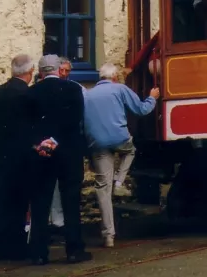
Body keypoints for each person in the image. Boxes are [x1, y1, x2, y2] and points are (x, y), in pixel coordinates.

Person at [0, 54, 46, 261]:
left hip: (0, 159)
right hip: (23, 159)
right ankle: (16, 247)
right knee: (20, 203)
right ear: (31, 71)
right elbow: (34, 130)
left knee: (3, 203)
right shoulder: (28, 96)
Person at [84, 63, 159, 248]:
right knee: (130, 150)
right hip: (119, 139)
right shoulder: (120, 89)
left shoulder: (87, 94)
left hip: (97, 143)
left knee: (103, 188)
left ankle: (108, 236)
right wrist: (152, 97)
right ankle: (119, 181)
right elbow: (141, 110)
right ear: (115, 77)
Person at [28, 55, 91, 265]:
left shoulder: (31, 93)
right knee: (71, 201)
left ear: (41, 71)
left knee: (40, 202)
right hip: (69, 152)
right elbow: (74, 120)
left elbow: (28, 126)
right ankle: (74, 249)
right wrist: (55, 140)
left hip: (41, 153)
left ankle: (38, 252)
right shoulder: (73, 89)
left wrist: (41, 144)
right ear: (58, 70)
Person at [48, 57, 84, 236]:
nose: (63, 74)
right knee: (55, 187)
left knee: (67, 188)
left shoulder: (76, 89)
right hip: (54, 145)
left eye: (67, 71)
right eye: (61, 70)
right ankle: (58, 221)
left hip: (66, 145)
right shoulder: (70, 89)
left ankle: (65, 224)